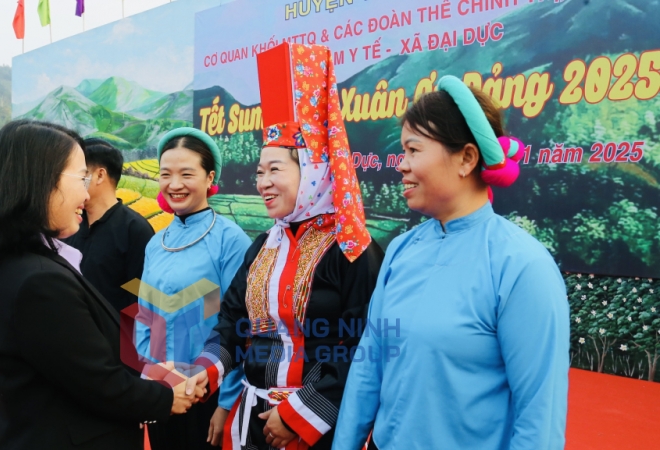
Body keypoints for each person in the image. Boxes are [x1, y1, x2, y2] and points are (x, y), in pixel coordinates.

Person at [332, 77, 570, 449]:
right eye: (403, 151)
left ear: (467, 159)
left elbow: (539, 416)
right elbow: (369, 365)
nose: (401, 165)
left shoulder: (522, 266)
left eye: (414, 150)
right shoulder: (400, 250)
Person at [0, 119, 203, 450]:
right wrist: (163, 395)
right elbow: (95, 381)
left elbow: (138, 305)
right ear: (41, 181)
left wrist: (147, 367)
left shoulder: (35, 256)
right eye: (79, 178)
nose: (85, 193)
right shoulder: (40, 278)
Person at [188, 43, 384, 450]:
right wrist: (207, 368)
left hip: (315, 429)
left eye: (274, 169)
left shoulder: (351, 249)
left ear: (313, 171)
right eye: (259, 172)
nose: (262, 183)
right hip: (253, 420)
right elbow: (232, 321)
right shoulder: (264, 245)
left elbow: (362, 345)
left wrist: (296, 415)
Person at [135, 128, 251, 450]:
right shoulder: (156, 244)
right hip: (164, 392)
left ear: (209, 177)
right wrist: (152, 381)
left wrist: (226, 403)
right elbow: (146, 317)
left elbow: (240, 325)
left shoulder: (231, 241)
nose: (174, 184)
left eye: (186, 174)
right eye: (165, 174)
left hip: (208, 394)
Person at [64, 138, 155, 312]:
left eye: (80, 175)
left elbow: (140, 300)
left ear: (100, 175)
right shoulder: (71, 223)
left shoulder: (134, 230)